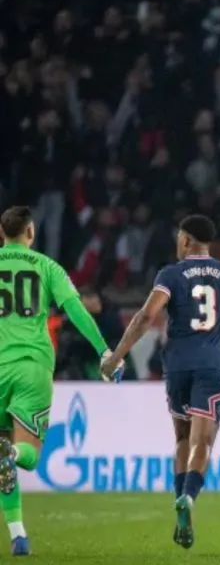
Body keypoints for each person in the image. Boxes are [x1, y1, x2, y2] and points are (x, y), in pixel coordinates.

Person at [100, 215, 220, 550]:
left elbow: (145, 317)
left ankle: (180, 505)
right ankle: (188, 498)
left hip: (178, 365)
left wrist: (116, 357)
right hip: (212, 366)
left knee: (182, 438)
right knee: (204, 442)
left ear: (185, 240)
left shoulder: (170, 274)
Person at [0, 206, 119, 557]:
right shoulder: (47, 267)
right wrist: (104, 351)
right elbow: (76, 309)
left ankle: (18, 535)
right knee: (27, 455)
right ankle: (11, 457)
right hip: (32, 366)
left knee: (3, 457)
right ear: (31, 233)